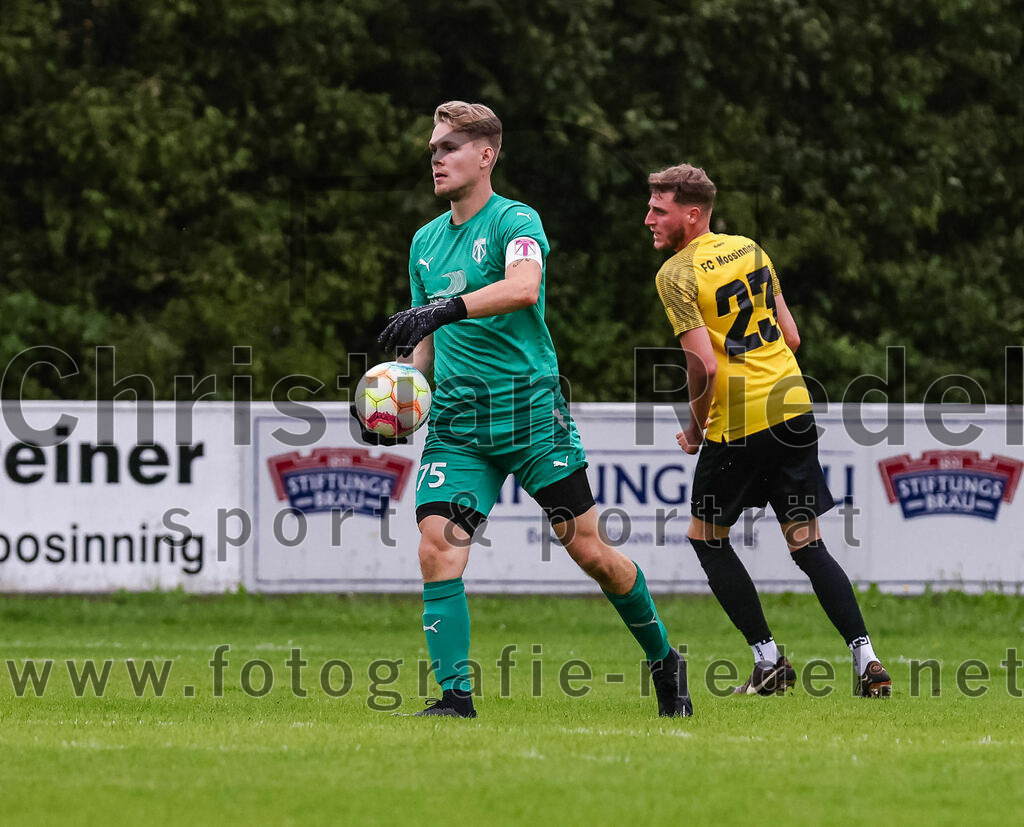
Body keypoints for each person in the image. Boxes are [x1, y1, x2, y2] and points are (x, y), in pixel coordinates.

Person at [356, 101, 691, 718]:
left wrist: (444, 307)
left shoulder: (516, 221)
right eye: (432, 148)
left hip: (531, 413)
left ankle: (664, 659)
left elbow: (523, 289)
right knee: (437, 546)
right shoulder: (424, 242)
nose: (436, 157)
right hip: (459, 422)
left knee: (591, 553)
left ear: (486, 155)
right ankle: (455, 698)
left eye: (449, 147)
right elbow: (428, 340)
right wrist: (398, 397)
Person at [645, 163, 891, 698]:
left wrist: (694, 427)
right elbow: (793, 337)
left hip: (739, 423)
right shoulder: (750, 248)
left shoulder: (676, 274)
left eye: (658, 210)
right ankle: (866, 659)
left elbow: (704, 366)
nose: (648, 220)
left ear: (692, 213)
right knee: (807, 544)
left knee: (706, 539)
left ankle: (769, 659)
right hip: (793, 404)